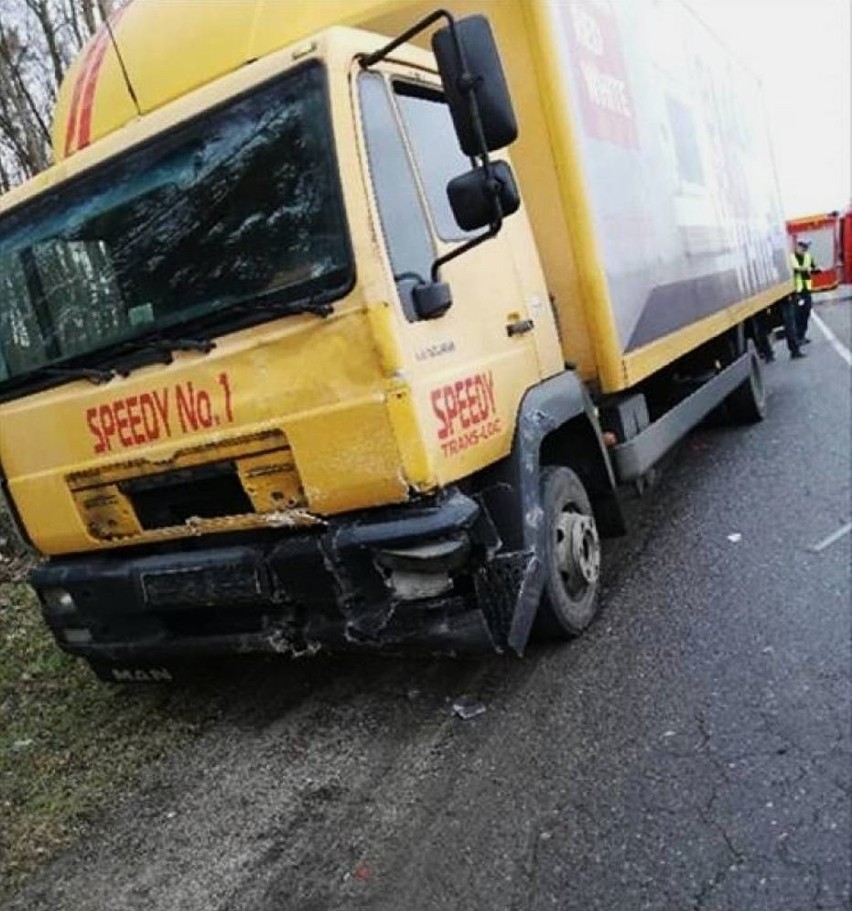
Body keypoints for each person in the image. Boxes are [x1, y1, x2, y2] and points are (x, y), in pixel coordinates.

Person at [790, 239, 818, 344]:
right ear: (798, 246)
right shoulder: (792, 258)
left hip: (806, 290)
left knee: (806, 312)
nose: (805, 249)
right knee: (798, 315)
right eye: (803, 246)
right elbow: (796, 269)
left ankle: (802, 335)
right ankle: (797, 337)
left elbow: (813, 267)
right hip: (797, 291)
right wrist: (808, 269)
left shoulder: (808, 257)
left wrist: (816, 270)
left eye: (806, 247)